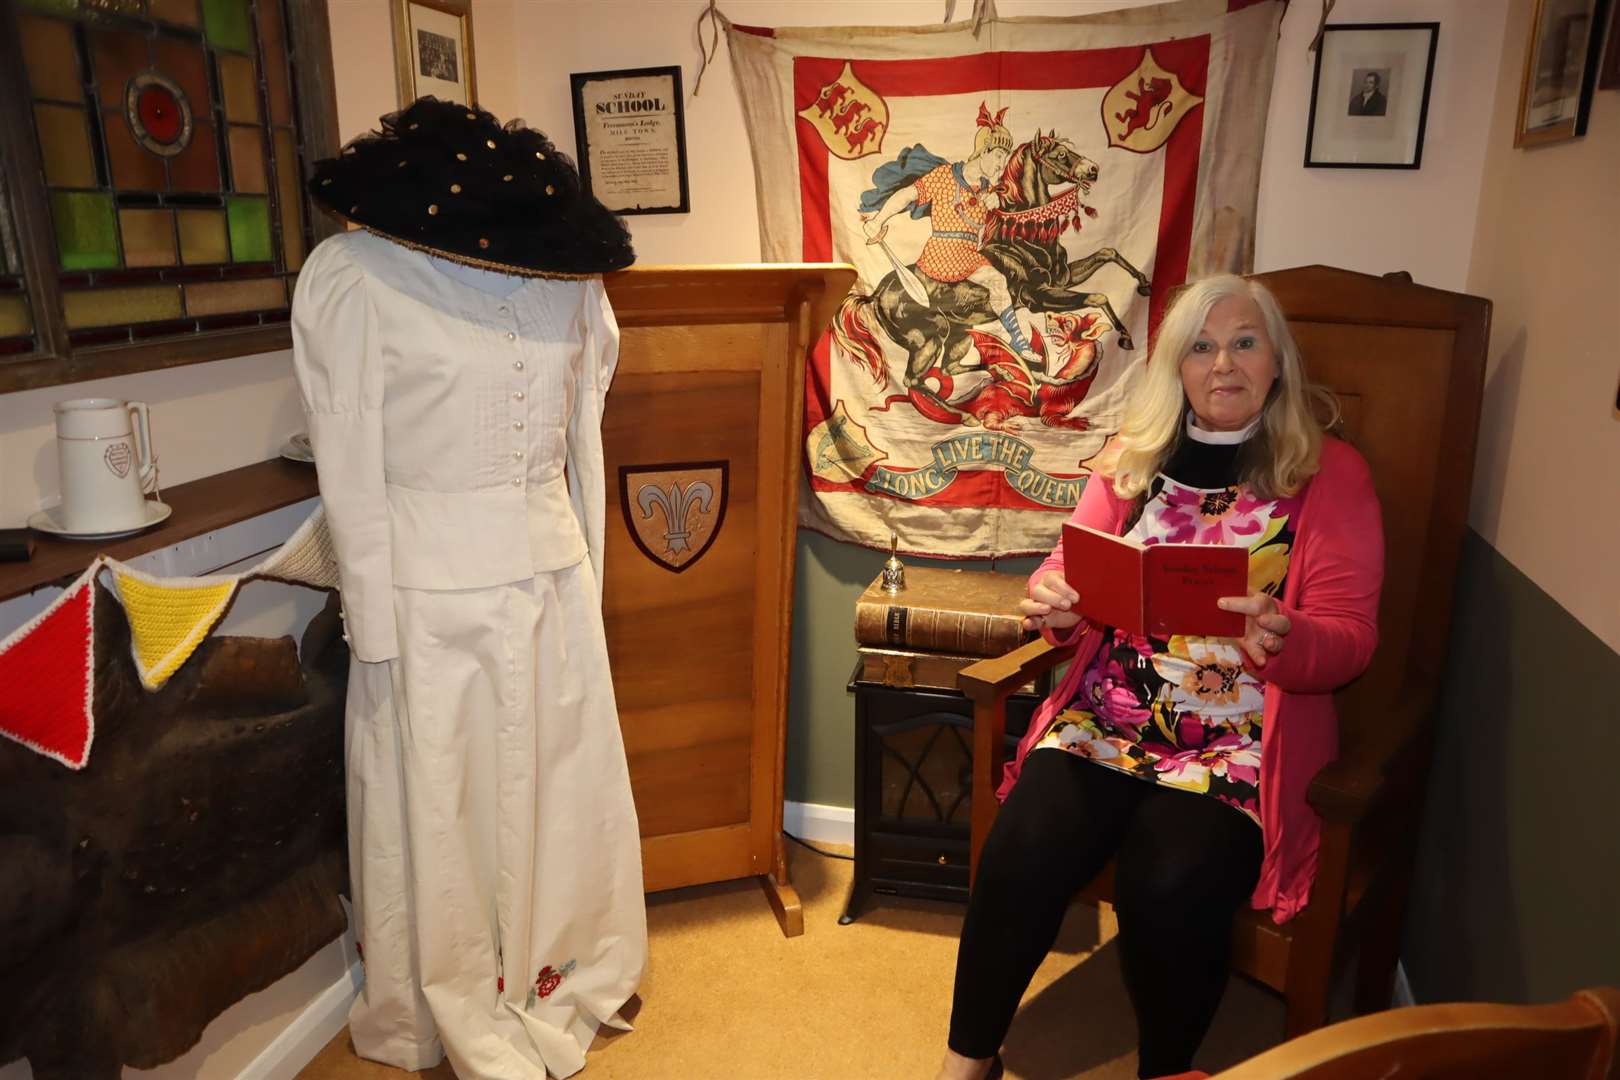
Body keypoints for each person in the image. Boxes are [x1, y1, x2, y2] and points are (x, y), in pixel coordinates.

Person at [937, 275, 1384, 1080]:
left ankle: (1169, 1072)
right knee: (1021, 851)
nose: (1223, 364)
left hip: (1239, 743)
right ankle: (969, 1062)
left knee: (1169, 881)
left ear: (1277, 361)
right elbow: (1066, 568)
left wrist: (1287, 635)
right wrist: (1056, 603)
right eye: (1200, 347)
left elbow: (1351, 640)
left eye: (1245, 342)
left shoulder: (1330, 474)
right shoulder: (1130, 459)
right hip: (1109, 717)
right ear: (1174, 367)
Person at [293, 98, 646, 1079]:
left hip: (549, 574)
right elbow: (348, 459)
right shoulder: (354, 278)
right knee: (442, 800)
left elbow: (585, 434)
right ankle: (445, 991)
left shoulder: (571, 282)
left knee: (557, 782)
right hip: (426, 593)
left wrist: (588, 577)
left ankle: (552, 964)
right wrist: (372, 619)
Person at [860, 103, 1042, 369]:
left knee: (1000, 280)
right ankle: (1016, 339)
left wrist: (994, 203)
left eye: (1006, 159)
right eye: (999, 157)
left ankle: (1016, 341)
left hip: (968, 255)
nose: (1002, 165)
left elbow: (991, 220)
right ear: (984, 151)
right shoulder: (945, 177)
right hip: (942, 254)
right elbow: (906, 195)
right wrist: (878, 220)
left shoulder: (986, 187)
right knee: (996, 280)